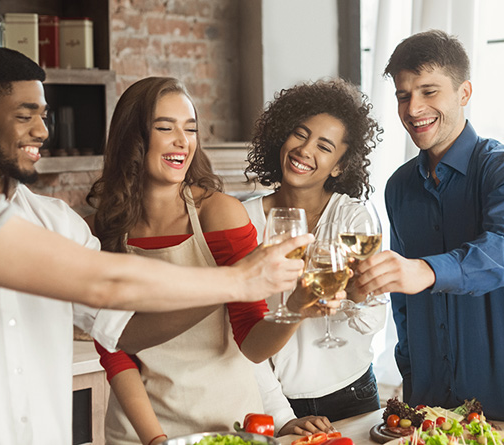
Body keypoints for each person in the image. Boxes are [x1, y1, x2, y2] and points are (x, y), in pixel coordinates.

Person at [0, 0, 308, 443]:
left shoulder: (58, 221)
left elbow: (121, 327)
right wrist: (239, 280)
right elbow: (107, 284)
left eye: (43, 116)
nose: (43, 131)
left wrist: (249, 291)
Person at [85, 76, 341, 445]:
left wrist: (298, 306)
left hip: (228, 427)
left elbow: (252, 345)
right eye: (164, 127)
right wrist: (156, 440)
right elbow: (116, 350)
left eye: (190, 129)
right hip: (138, 431)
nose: (182, 141)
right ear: (133, 137)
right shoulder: (99, 231)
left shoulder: (219, 214)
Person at [356, 29, 504, 422]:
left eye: (429, 91)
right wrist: (410, 374)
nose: (413, 108)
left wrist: (426, 270)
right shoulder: (398, 186)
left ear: (464, 93)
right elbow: (402, 306)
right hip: (427, 404)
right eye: (403, 95)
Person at [243, 79, 387, 435]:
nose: (304, 150)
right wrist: (280, 414)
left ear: (339, 166)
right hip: (271, 400)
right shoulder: (242, 220)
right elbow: (237, 333)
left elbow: (373, 315)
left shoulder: (353, 218)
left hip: (353, 393)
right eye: (299, 135)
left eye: (324, 146)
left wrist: (355, 293)